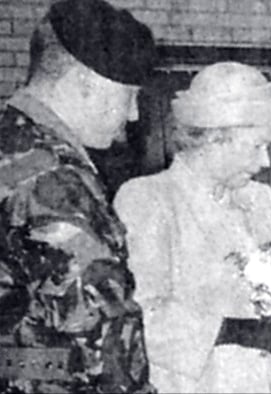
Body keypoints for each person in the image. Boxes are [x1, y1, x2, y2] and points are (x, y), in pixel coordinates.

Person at [0, 0, 156, 392]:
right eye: (128, 96)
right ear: (83, 83)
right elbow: (101, 330)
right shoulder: (56, 179)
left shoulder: (10, 143)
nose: (133, 115)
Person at [113, 62, 271, 393]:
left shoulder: (264, 201)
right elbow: (138, 316)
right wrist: (228, 331)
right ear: (214, 139)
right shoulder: (149, 200)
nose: (265, 162)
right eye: (256, 146)